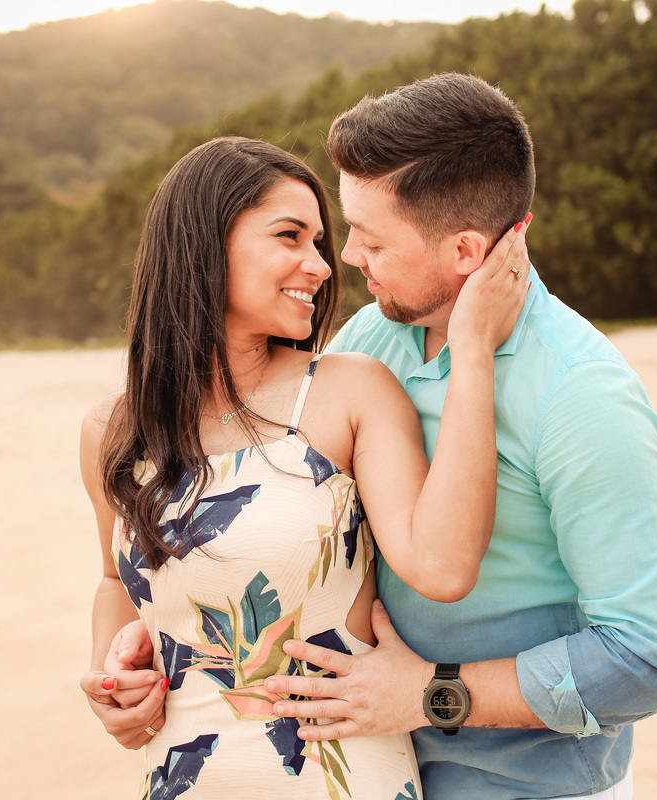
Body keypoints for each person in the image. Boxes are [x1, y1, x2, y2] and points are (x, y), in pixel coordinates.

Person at [101, 74, 657, 799]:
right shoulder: (369, 342)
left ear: (467, 253)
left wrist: (433, 696)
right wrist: (151, 629)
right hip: (358, 765)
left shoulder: (581, 394)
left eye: (370, 239)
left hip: (526, 788)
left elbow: (650, 658)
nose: (343, 259)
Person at [77, 135, 530, 798]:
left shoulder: (347, 392)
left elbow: (444, 565)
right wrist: (110, 679)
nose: (320, 265)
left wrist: (474, 352)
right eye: (290, 236)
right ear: (202, 244)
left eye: (319, 242)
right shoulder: (112, 432)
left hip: (340, 779)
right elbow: (114, 583)